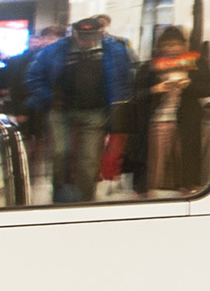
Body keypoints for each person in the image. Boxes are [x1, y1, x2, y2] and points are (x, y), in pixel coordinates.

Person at [24, 15, 133, 202]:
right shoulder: (55, 50)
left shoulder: (115, 50)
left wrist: (118, 107)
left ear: (100, 33)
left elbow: (124, 79)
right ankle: (60, 197)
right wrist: (49, 99)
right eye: (82, 37)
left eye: (91, 37)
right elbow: (34, 76)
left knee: (89, 160)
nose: (86, 41)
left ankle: (84, 200)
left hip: (96, 111)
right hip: (60, 112)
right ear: (74, 33)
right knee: (60, 154)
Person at [132, 26, 210, 198]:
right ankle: (145, 191)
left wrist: (188, 85)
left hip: (187, 118)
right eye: (166, 45)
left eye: (174, 44)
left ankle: (188, 189)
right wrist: (156, 89)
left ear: (184, 45)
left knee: (186, 155)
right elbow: (136, 94)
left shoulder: (195, 64)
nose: (170, 49)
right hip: (157, 119)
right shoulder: (150, 66)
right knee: (154, 158)